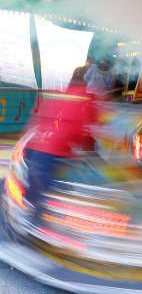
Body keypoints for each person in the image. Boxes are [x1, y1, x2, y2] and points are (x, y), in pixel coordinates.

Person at [22, 79, 97, 228]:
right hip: (51, 148)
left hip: (35, 142)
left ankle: (30, 210)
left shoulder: (58, 93)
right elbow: (78, 128)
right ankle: (37, 222)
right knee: (44, 185)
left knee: (33, 180)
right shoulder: (84, 100)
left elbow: (39, 117)